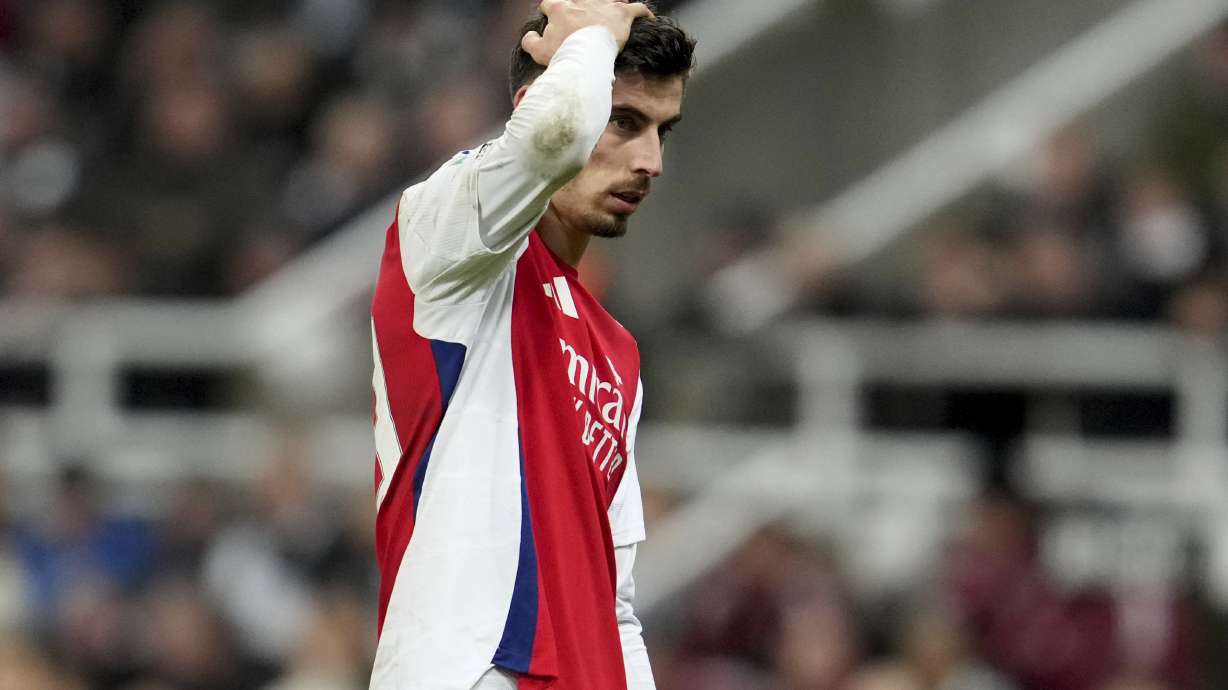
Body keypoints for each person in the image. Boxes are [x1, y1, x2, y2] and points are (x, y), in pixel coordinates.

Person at [367, 1, 695, 688]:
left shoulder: (618, 353)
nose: (651, 161)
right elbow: (550, 140)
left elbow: (616, 603)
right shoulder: (441, 244)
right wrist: (595, 35)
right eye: (625, 122)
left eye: (663, 132)